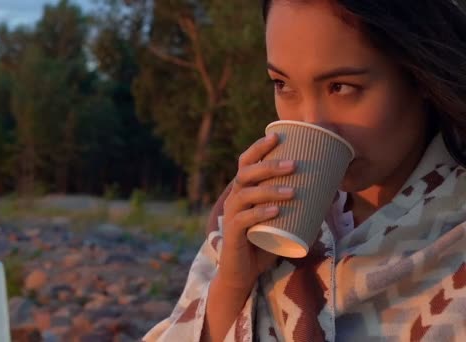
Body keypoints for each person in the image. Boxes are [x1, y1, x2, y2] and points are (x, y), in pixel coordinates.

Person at [143, 0, 466, 341]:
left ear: (420, 78)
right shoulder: (254, 208)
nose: (309, 122)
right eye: (282, 84)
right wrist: (233, 285)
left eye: (341, 87)